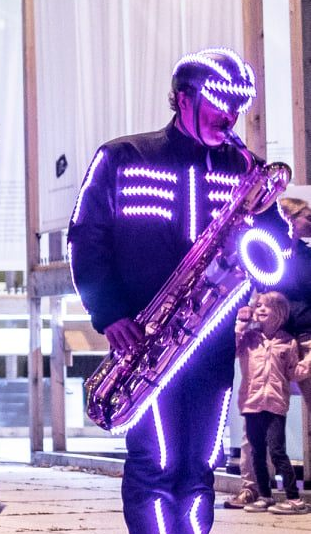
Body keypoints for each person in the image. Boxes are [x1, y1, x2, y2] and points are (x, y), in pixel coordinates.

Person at [69, 47, 287, 533]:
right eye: (218, 101)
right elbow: (87, 238)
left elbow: (276, 249)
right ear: (182, 98)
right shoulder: (122, 157)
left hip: (211, 342)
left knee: (199, 468)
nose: (229, 115)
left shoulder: (243, 168)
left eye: (237, 105)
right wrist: (110, 313)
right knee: (154, 465)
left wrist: (254, 237)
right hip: (145, 339)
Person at [235, 291, 311, 514]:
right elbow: (235, 345)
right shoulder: (250, 340)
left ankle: (294, 498)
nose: (259, 309)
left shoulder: (287, 343)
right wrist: (241, 323)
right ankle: (265, 495)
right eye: (258, 305)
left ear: (279, 313)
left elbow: (293, 372)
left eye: (266, 306)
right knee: (258, 452)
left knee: (277, 451)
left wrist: (307, 364)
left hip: (275, 404)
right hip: (251, 403)